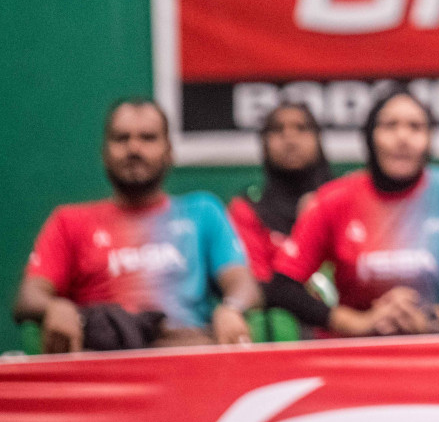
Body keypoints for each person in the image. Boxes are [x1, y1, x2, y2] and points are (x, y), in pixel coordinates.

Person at [12, 98, 259, 352]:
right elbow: (29, 296)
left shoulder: (203, 211)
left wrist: (231, 308)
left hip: (189, 357)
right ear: (104, 152)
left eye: (148, 138)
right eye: (121, 138)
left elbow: (243, 283)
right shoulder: (69, 221)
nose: (134, 148)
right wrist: (55, 306)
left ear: (169, 151)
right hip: (103, 365)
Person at [263, 91, 439, 337]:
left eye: (415, 127)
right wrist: (355, 322)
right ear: (370, 137)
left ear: (429, 139)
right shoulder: (333, 199)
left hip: (434, 347)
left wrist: (436, 317)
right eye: (389, 125)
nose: (402, 137)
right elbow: (282, 287)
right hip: (353, 352)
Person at [226, 102, 333, 283]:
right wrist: (304, 227)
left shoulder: (342, 200)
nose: (290, 139)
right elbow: (259, 283)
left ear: (318, 138)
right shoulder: (248, 209)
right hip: (276, 309)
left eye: (301, 128)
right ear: (263, 142)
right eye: (277, 130)